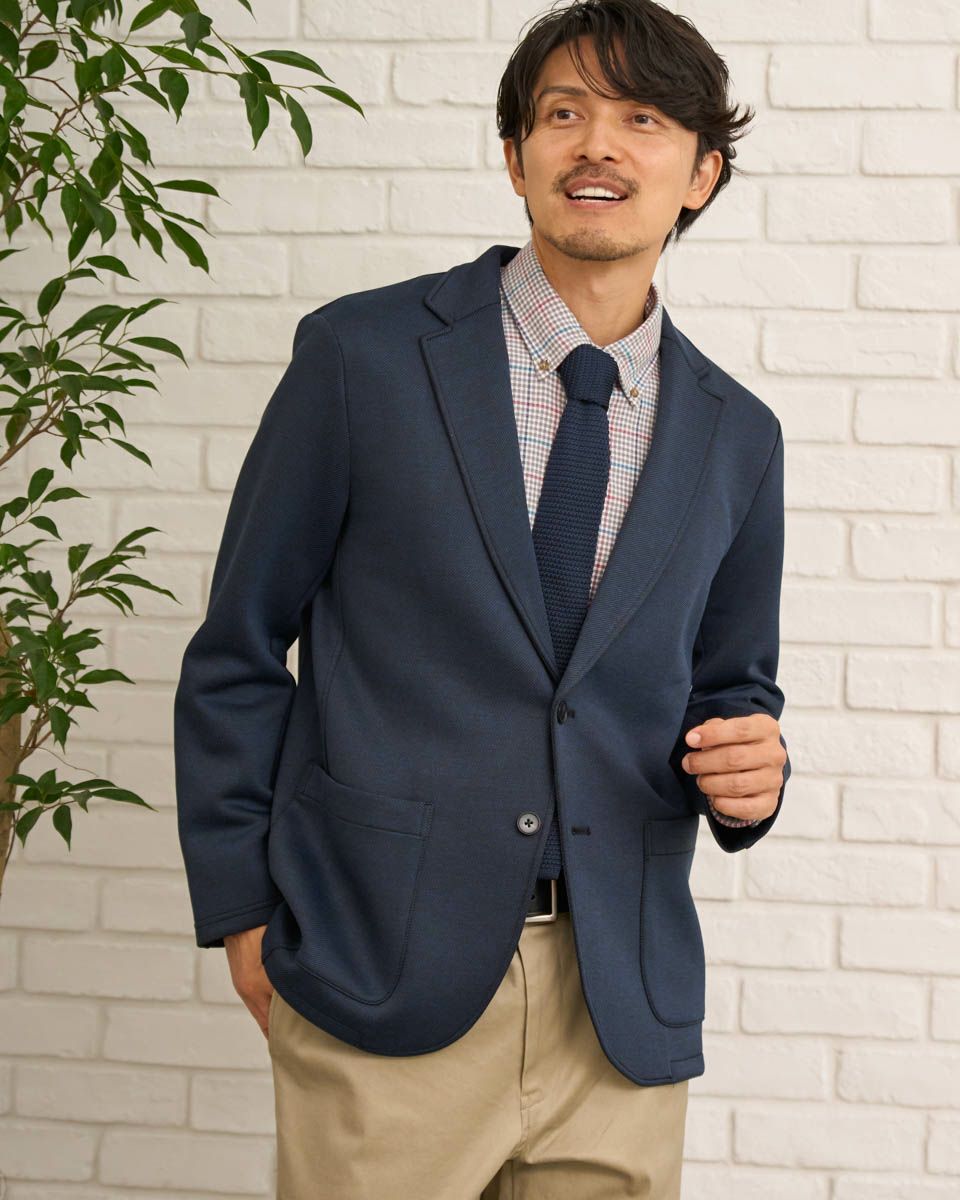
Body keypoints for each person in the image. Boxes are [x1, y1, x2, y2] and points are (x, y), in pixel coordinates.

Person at [173, 1, 791, 1196]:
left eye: (643, 119)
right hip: (382, 969)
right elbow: (240, 648)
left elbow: (732, 692)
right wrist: (244, 909)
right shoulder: (361, 359)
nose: (597, 144)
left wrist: (755, 770)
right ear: (516, 157)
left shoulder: (738, 437)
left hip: (620, 1002)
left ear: (702, 173)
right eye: (563, 114)